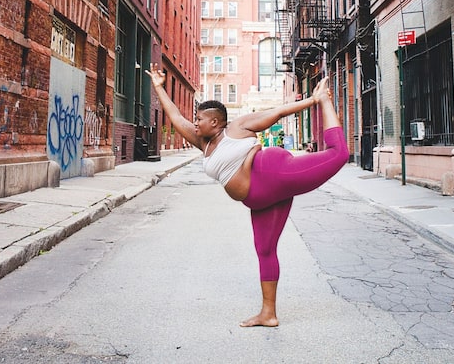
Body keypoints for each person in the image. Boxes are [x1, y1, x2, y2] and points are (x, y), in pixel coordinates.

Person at [146, 63, 349, 327]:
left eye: (199, 119)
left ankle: (326, 103)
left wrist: (315, 99)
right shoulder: (203, 143)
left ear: (215, 122)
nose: (194, 123)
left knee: (339, 154)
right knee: (264, 250)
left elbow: (277, 112)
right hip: (261, 200)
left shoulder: (238, 127)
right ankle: (268, 314)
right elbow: (174, 116)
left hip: (274, 174)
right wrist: (160, 88)